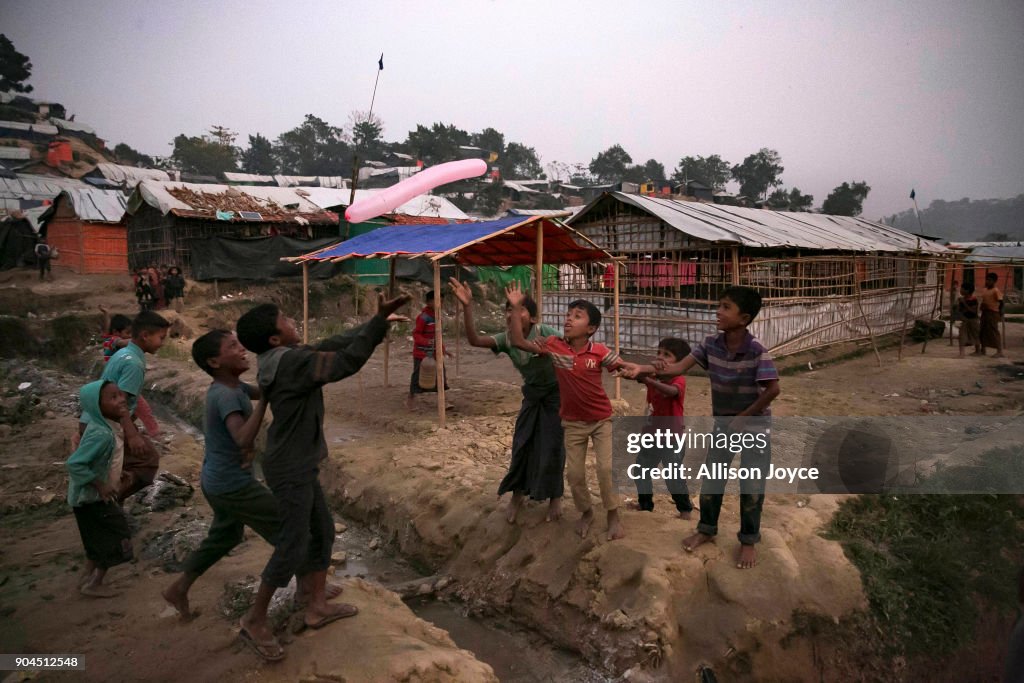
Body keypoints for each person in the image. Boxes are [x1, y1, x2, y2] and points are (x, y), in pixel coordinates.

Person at [235, 292, 410, 659]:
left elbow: (329, 345)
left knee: (324, 530)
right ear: (274, 338)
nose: (293, 320)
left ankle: (312, 600)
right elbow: (345, 362)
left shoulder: (278, 359)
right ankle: (255, 619)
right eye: (285, 319)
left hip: (294, 461)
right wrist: (375, 325)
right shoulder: (292, 363)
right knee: (293, 543)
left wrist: (375, 324)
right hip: (291, 465)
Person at [622, 286, 780, 569]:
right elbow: (675, 369)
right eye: (719, 305)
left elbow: (773, 389)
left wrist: (743, 418)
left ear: (743, 318)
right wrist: (640, 369)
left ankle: (747, 540)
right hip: (723, 426)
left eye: (725, 307)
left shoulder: (757, 351)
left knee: (751, 485)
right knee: (712, 481)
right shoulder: (711, 344)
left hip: (754, 426)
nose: (717, 311)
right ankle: (706, 529)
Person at [505, 282, 629, 541]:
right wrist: (516, 308)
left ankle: (613, 514)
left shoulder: (599, 351)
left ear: (591, 328)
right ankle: (586, 512)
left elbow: (624, 367)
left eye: (577, 316)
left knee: (606, 469)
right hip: (572, 423)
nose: (568, 320)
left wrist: (650, 373)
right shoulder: (553, 345)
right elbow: (517, 340)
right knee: (574, 474)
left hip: (601, 420)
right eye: (568, 316)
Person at [448, 277, 565, 524]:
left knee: (553, 445)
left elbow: (570, 352)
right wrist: (468, 307)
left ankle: (555, 496)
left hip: (556, 395)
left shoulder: (546, 333)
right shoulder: (505, 339)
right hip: (532, 395)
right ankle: (517, 495)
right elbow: (474, 340)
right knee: (522, 444)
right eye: (508, 310)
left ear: (533, 318)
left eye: (519, 309)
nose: (511, 314)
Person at [79, 311, 169, 501]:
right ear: (145, 335)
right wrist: (132, 434)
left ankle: (111, 496)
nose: (163, 343)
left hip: (96, 420)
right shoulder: (134, 364)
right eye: (161, 338)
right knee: (148, 460)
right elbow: (122, 404)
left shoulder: (124, 353)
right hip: (105, 424)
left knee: (121, 464)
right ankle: (110, 501)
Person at [67, 380, 133, 598]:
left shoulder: (106, 427)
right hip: (92, 498)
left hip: (91, 498)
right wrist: (101, 484)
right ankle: (94, 584)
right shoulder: (101, 433)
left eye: (120, 394)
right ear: (97, 406)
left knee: (96, 538)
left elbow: (102, 460)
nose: (121, 399)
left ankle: (85, 577)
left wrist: (115, 474)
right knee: (116, 535)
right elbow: (75, 463)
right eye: (113, 397)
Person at [633, 337, 694, 517]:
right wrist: (639, 372)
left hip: (671, 439)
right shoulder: (654, 375)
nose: (660, 357)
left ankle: (685, 509)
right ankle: (645, 506)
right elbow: (638, 376)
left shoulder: (678, 379)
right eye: (659, 352)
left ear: (680, 364)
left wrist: (648, 380)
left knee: (673, 476)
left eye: (667, 355)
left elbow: (671, 392)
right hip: (651, 436)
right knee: (640, 470)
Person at [406, 289, 453, 411]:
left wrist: (443, 349)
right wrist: (427, 342)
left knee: (441, 374)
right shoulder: (423, 318)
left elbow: (438, 337)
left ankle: (443, 401)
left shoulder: (437, 318)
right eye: (437, 301)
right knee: (417, 375)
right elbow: (416, 334)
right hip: (421, 353)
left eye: (441, 301)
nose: (440, 304)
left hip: (435, 352)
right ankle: (411, 400)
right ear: (428, 302)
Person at [979, 272, 1005, 358]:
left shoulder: (996, 291)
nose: (987, 281)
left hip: (993, 313)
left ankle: (999, 351)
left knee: (993, 331)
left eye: (989, 280)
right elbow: (984, 300)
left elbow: (1001, 303)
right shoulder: (985, 290)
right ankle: (983, 349)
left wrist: (1000, 313)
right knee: (982, 330)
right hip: (985, 312)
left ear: (994, 281)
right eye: (987, 279)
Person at [957, 283, 982, 358]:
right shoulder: (961, 299)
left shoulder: (973, 300)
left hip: (973, 320)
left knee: (976, 335)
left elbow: (973, 311)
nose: (960, 290)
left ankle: (978, 351)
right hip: (965, 320)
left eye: (962, 288)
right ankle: (962, 353)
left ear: (967, 291)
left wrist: (964, 303)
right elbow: (960, 310)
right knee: (961, 336)